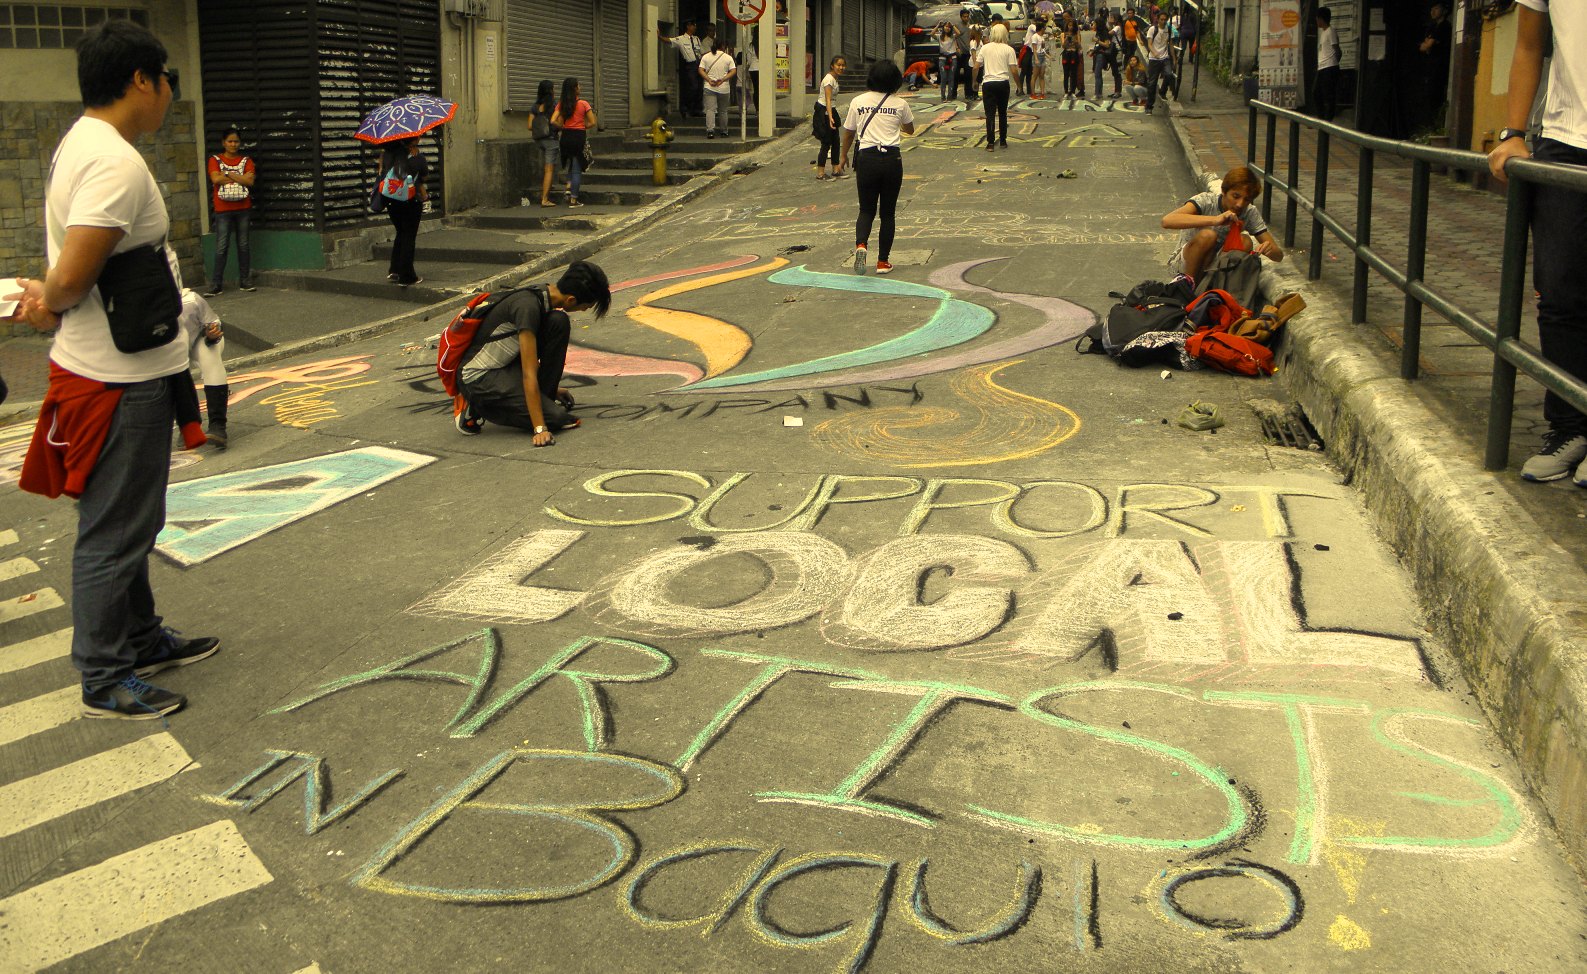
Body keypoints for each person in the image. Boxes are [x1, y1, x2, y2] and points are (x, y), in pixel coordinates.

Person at [7, 20, 218, 720]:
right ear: (141, 80)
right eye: (167, 82)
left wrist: (54, 295)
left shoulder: (90, 144)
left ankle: (140, 637)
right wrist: (46, 300)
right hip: (117, 382)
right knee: (116, 531)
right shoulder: (112, 163)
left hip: (122, 369)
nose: (167, 96)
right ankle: (104, 675)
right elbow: (71, 279)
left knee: (130, 522)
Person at [1489, 1, 1587, 483]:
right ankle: (1570, 427)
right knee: (1559, 290)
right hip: (1567, 140)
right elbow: (1529, 42)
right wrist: (1514, 132)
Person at [454, 261, 611, 445]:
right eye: (587, 306)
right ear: (571, 300)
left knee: (558, 322)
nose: (584, 310)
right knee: (557, 419)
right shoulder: (527, 307)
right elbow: (529, 373)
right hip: (479, 377)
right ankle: (477, 405)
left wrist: (551, 390)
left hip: (506, 365)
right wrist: (540, 428)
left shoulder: (544, 295)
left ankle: (540, 401)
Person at [840, 60, 915, 276]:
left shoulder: (857, 101)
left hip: (867, 158)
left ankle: (861, 245)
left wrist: (843, 156)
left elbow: (849, 132)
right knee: (888, 213)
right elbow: (909, 129)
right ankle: (883, 262)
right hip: (892, 159)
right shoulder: (900, 104)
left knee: (866, 209)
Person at [1161, 165, 1284, 282]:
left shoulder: (1249, 212)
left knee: (1245, 241)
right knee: (1208, 236)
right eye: (1235, 196)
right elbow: (1167, 221)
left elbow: (1279, 256)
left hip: (1216, 267)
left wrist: (1270, 250)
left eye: (1246, 199)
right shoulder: (1206, 201)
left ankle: (1219, 289)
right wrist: (1215, 220)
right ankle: (1186, 286)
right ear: (1224, 191)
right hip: (1186, 263)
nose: (1239, 204)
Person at [203, 127, 254, 296]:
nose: (233, 144)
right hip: (223, 209)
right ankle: (216, 284)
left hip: (243, 208)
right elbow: (215, 178)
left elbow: (250, 181)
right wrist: (239, 177)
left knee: (244, 245)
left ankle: (245, 281)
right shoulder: (214, 160)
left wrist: (227, 173)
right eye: (230, 141)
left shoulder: (247, 160)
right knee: (221, 246)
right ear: (223, 143)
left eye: (236, 141)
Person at [178, 289, 231, 448]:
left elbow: (214, 324)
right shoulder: (145, 302)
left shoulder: (190, 299)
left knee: (210, 358)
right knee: (174, 378)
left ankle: (217, 425)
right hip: (173, 348)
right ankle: (187, 424)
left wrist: (212, 334)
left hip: (199, 339)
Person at [379, 137, 428, 285]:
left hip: (391, 201)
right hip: (410, 200)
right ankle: (407, 276)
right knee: (408, 236)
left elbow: (382, 173)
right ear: (413, 140)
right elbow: (424, 176)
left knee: (400, 232)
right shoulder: (417, 157)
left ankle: (395, 270)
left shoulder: (386, 155)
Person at [552, 77, 595, 208]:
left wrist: (563, 126)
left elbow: (553, 120)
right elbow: (592, 122)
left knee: (571, 162)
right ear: (575, 89)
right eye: (578, 86)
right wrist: (582, 126)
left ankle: (569, 187)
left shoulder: (562, 104)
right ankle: (573, 200)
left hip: (565, 136)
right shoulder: (584, 104)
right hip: (578, 136)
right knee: (577, 169)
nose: (580, 88)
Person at [977, 23, 1018, 151]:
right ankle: (1003, 141)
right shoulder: (1009, 49)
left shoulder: (985, 48)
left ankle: (990, 143)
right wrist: (1019, 84)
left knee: (989, 114)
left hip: (988, 83)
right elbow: (1014, 70)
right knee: (1002, 113)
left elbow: (976, 66)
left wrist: (974, 81)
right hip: (1003, 83)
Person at [1419, 3, 1453, 131]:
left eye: (1436, 8)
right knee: (1428, 96)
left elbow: (1427, 45)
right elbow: (1423, 46)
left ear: (1444, 11)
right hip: (1430, 66)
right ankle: (1430, 126)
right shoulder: (1432, 27)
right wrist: (1428, 44)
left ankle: (1437, 126)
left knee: (1437, 95)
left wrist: (1429, 44)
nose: (1432, 11)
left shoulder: (1445, 27)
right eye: (1431, 8)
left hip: (1441, 66)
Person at [661, 20, 705, 118]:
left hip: (699, 64)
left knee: (699, 88)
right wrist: (659, 37)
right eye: (694, 25)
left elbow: (701, 52)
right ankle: (687, 108)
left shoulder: (696, 39)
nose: (695, 28)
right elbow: (669, 40)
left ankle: (697, 110)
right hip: (690, 65)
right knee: (692, 87)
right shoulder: (681, 39)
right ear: (688, 26)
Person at [530, 80, 562, 207]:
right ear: (551, 91)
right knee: (549, 169)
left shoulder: (535, 106)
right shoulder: (554, 106)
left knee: (546, 168)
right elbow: (558, 122)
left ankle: (547, 188)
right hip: (551, 140)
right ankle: (545, 199)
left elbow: (529, 125)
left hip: (539, 140)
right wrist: (561, 126)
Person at [814, 56, 847, 180]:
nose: (841, 67)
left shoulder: (834, 78)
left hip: (831, 109)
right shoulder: (828, 79)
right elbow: (827, 99)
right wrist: (830, 117)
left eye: (843, 65)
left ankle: (836, 169)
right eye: (838, 65)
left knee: (836, 141)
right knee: (826, 142)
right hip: (824, 111)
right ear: (832, 65)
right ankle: (821, 173)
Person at [699, 39, 736, 138]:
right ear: (723, 46)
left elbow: (700, 70)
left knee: (710, 110)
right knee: (723, 110)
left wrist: (709, 79)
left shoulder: (706, 57)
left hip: (709, 86)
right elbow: (733, 71)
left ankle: (710, 131)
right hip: (724, 88)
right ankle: (724, 131)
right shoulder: (728, 58)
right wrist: (723, 79)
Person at [1312, 7, 1342, 123]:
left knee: (1328, 95)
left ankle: (1328, 120)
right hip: (1322, 67)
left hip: (1329, 67)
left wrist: (1334, 62)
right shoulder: (1323, 32)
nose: (1316, 21)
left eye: (1317, 19)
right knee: (1316, 93)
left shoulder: (1331, 31)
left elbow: (1337, 50)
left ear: (1321, 19)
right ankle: (1322, 119)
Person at [1143, 10, 1174, 114]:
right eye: (1161, 19)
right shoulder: (1152, 29)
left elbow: (1171, 44)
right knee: (1152, 83)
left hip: (1165, 58)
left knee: (1169, 74)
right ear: (1158, 19)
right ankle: (1149, 106)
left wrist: (1174, 58)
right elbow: (1149, 44)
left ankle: (1162, 91)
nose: (1163, 21)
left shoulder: (1169, 29)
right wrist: (1154, 53)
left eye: (1165, 20)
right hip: (1154, 59)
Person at [1093, 24, 1121, 98]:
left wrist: (1097, 41)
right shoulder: (1100, 32)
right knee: (1099, 73)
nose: (1093, 25)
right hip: (1107, 53)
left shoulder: (1107, 32)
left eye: (1094, 24)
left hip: (1113, 53)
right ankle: (1099, 93)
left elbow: (1107, 45)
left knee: (1116, 72)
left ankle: (1117, 91)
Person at [936, 21, 958, 102]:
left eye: (949, 27)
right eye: (945, 26)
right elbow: (931, 33)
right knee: (943, 77)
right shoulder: (939, 37)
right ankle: (943, 97)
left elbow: (959, 33)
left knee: (951, 78)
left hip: (952, 58)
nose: (947, 28)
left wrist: (953, 25)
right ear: (943, 27)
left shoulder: (953, 36)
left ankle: (949, 96)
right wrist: (938, 25)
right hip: (942, 58)